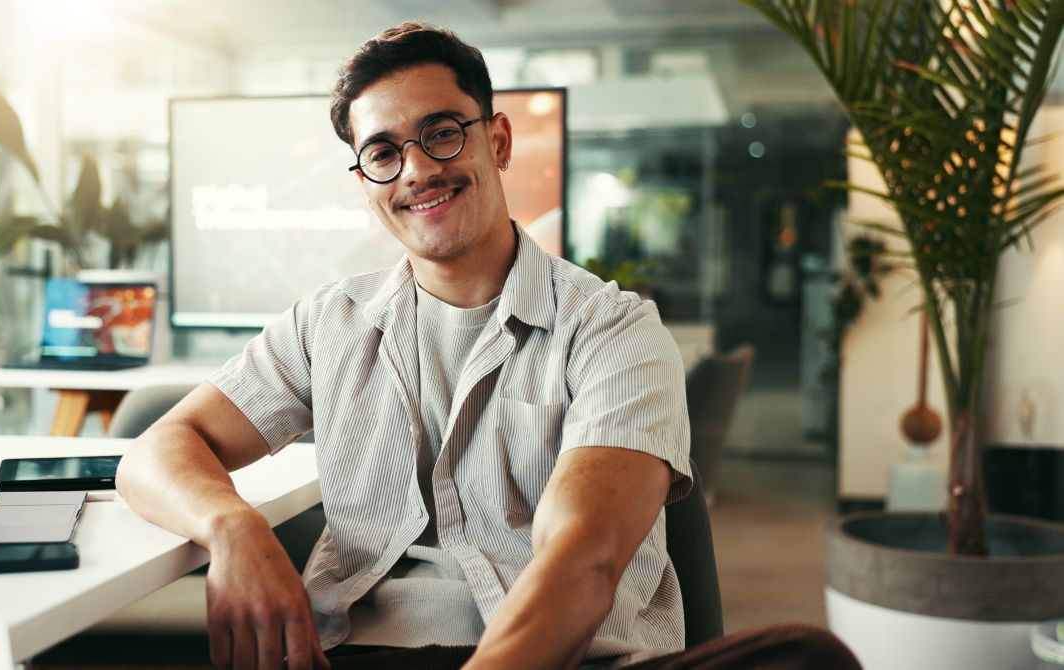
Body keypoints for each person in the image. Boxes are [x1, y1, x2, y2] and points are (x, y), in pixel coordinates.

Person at [117, 22, 860, 670]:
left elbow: (585, 561)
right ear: (366, 180)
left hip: (571, 656)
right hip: (369, 655)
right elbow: (158, 448)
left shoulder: (613, 331)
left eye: (442, 131)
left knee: (808, 657)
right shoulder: (327, 324)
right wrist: (234, 528)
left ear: (497, 140)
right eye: (383, 152)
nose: (418, 170)